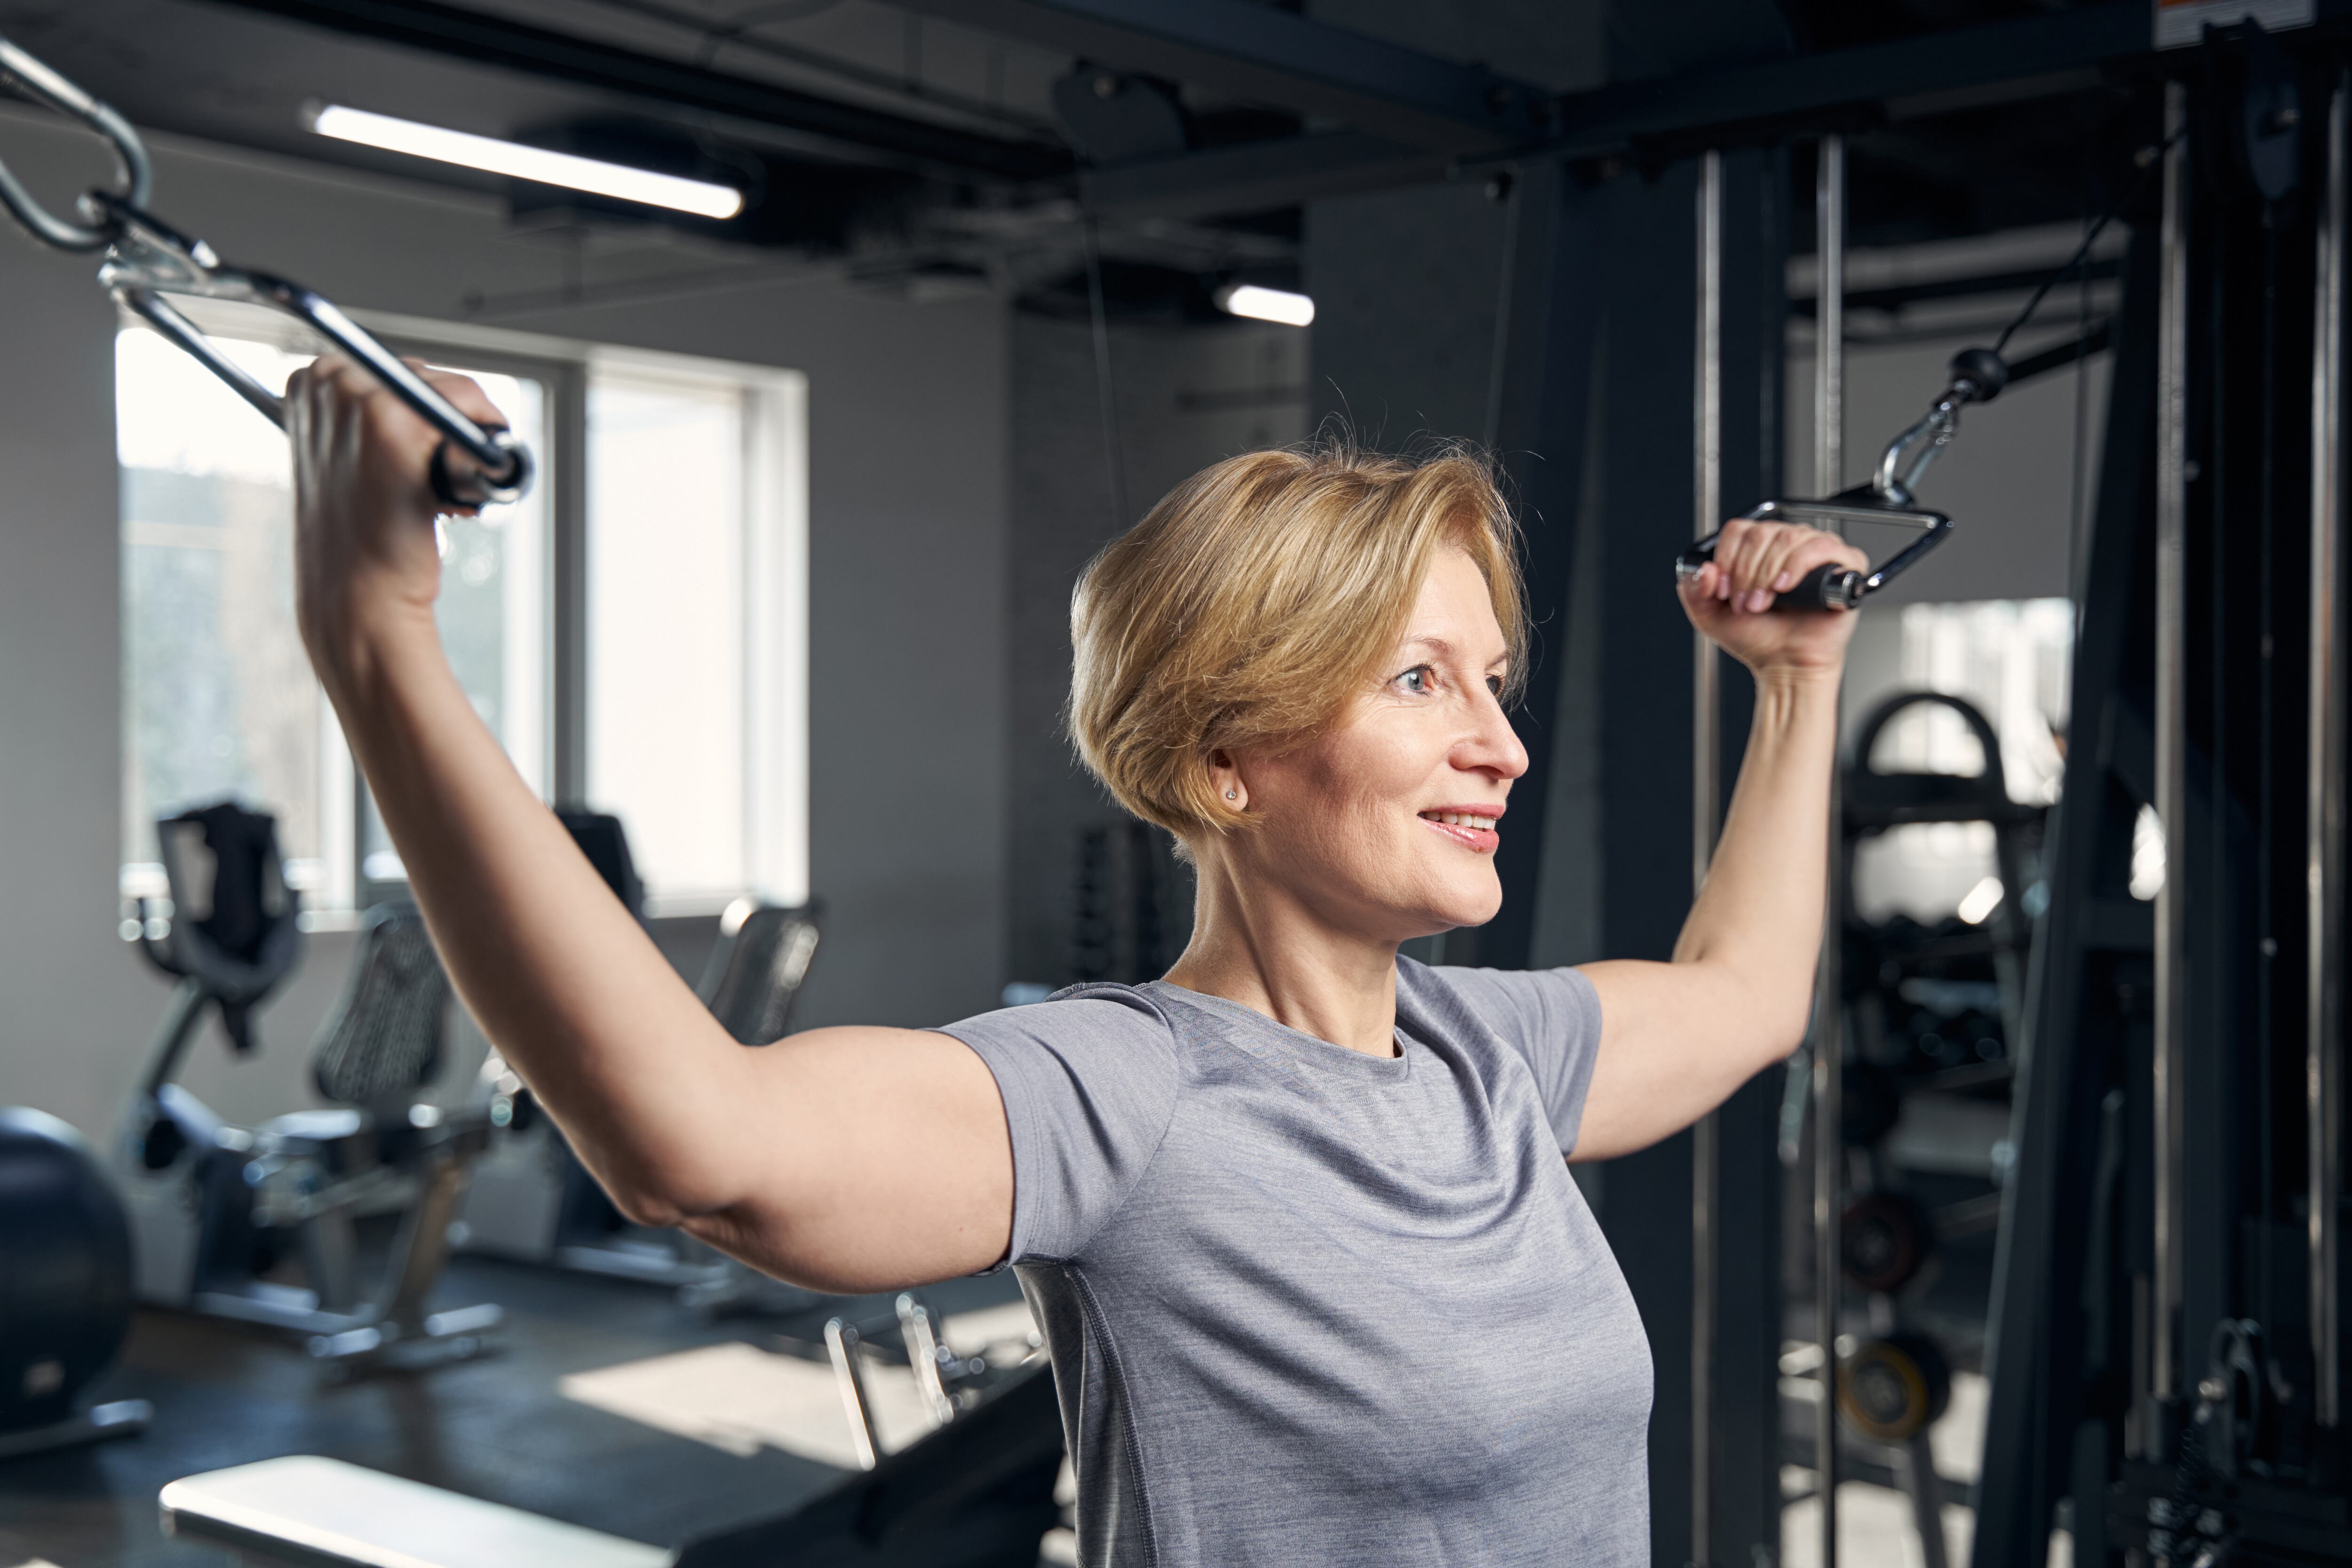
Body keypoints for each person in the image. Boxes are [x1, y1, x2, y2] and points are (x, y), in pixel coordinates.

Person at [286, 356, 1866, 1568]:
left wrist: (1797, 686)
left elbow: (1745, 996)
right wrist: (377, 634)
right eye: (1418, 680)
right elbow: (699, 1151)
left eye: (1496, 684)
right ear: (1227, 758)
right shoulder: (1128, 1094)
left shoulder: (1491, 1059)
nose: (1501, 746)